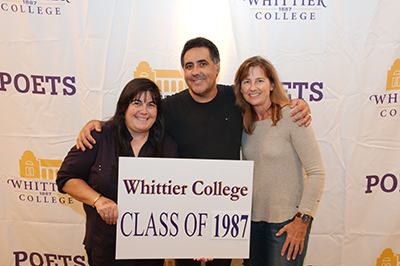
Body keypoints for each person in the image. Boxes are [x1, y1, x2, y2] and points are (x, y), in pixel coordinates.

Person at [75, 37, 312, 266]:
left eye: (203, 64)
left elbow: (264, 101)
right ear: (183, 72)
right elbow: (137, 117)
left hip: (225, 216)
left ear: (217, 67)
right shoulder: (168, 108)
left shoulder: (236, 99)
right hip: (182, 220)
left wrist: (297, 104)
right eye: (189, 66)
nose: (195, 71)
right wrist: (97, 124)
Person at [56, 78, 179, 266]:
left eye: (151, 105)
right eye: (137, 103)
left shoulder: (168, 146)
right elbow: (66, 178)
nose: (144, 111)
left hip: (149, 250)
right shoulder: (98, 137)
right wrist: (97, 200)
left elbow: (178, 196)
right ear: (124, 107)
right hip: (105, 247)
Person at [234, 56, 325, 266]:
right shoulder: (244, 123)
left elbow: (316, 173)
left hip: (286, 223)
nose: (252, 87)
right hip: (252, 225)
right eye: (246, 81)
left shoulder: (292, 116)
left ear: (272, 84)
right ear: (240, 88)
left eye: (260, 80)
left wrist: (302, 221)